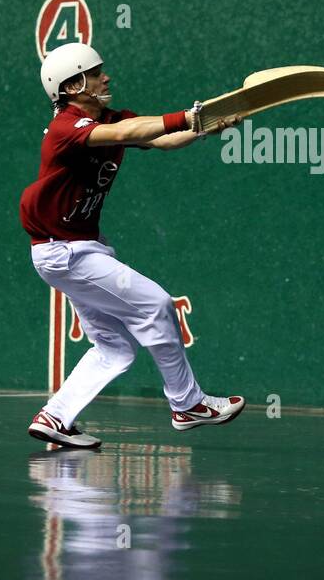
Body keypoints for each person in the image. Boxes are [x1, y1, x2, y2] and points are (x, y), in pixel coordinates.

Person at [20, 42, 246, 448]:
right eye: (96, 73)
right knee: (156, 305)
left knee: (114, 348)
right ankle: (188, 404)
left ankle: (55, 416)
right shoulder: (65, 129)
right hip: (64, 251)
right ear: (72, 86)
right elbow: (125, 133)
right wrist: (186, 115)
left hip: (76, 247)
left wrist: (202, 127)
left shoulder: (108, 118)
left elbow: (159, 138)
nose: (106, 77)